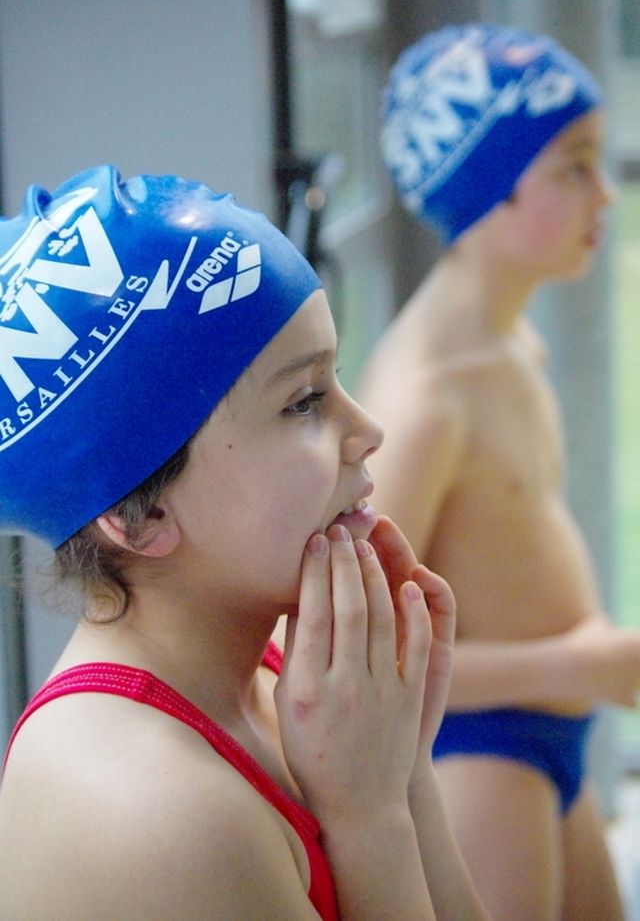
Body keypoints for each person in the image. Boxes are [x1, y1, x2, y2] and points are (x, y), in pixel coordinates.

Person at [0, 165, 490, 920]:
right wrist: (369, 818)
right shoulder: (153, 814)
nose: (369, 430)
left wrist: (401, 768)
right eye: (304, 401)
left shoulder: (278, 679)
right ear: (136, 516)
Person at [357, 23, 640, 921]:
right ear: (487, 186)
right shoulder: (425, 398)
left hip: (551, 725)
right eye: (575, 167)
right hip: (478, 750)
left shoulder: (511, 343)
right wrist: (572, 661)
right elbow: (367, 659)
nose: (606, 192)